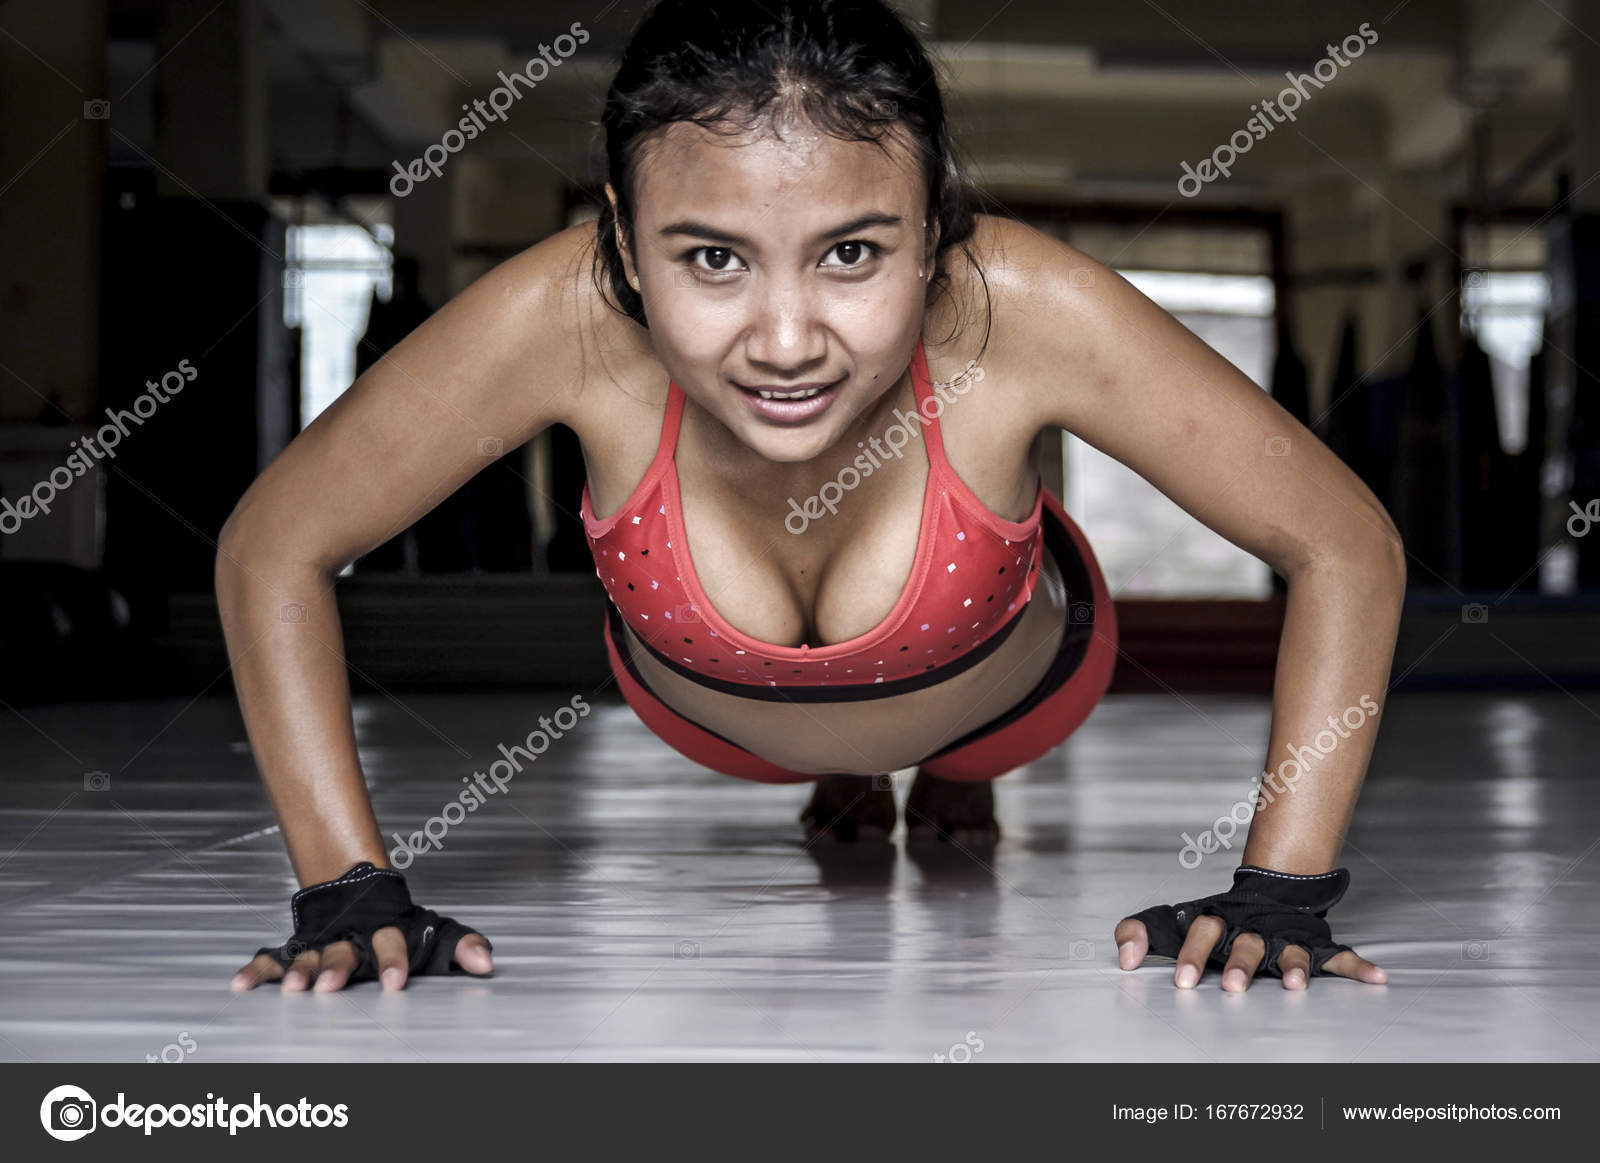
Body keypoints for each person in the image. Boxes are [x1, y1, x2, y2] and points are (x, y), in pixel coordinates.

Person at [217, 0, 1399, 998]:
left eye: (851, 254)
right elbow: (273, 543)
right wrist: (346, 884)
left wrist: (1282, 889)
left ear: (933, 233)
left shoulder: (1021, 307)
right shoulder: (561, 319)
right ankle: (858, 766)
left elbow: (1343, 541)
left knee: (964, 675)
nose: (785, 342)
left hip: (1008, 693)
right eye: (712, 259)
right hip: (706, 708)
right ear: (625, 246)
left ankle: (941, 762)